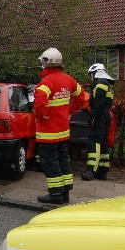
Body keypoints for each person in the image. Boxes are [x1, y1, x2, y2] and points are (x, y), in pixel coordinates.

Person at [33, 48, 85, 204]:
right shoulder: (69, 79)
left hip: (48, 132)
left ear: (46, 62)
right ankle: (65, 193)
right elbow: (82, 98)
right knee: (63, 159)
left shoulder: (46, 82)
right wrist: (70, 111)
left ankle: (55, 194)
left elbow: (39, 105)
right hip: (63, 131)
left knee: (50, 162)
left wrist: (43, 116)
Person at [81, 63, 115, 181]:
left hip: (99, 116)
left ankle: (90, 171)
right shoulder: (107, 83)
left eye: (91, 74)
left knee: (94, 143)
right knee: (103, 143)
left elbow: (98, 103)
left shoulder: (100, 83)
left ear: (95, 72)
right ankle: (102, 171)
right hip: (105, 116)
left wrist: (91, 117)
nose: (91, 77)